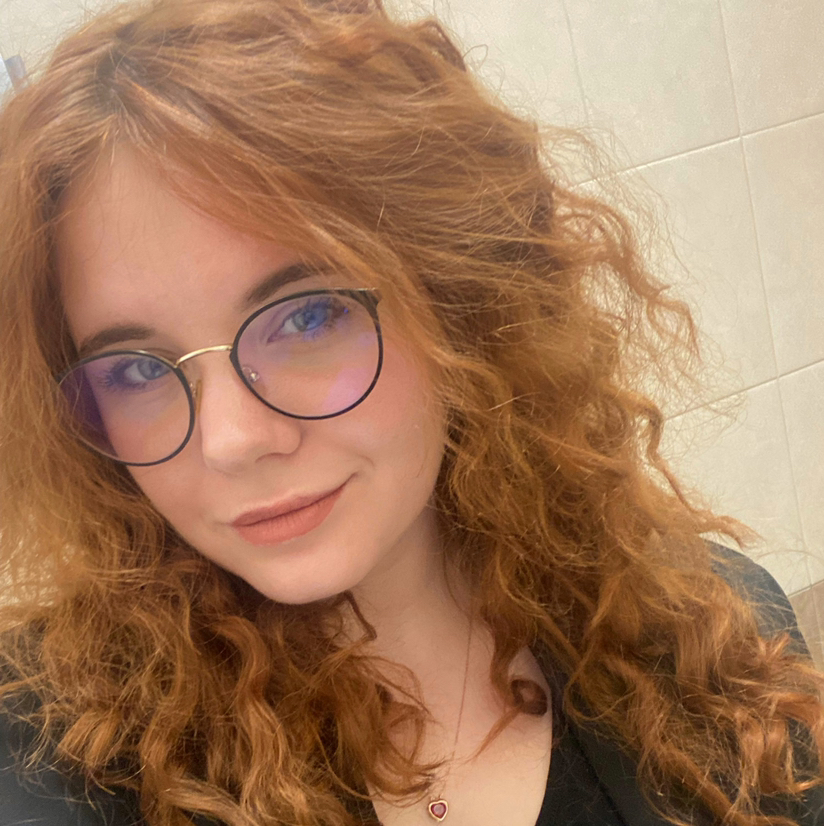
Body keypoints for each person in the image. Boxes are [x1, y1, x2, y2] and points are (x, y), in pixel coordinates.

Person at [0, 1, 821, 824]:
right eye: (137, 369)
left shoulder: (714, 643)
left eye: (307, 318)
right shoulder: (47, 754)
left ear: (459, 301)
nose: (232, 440)